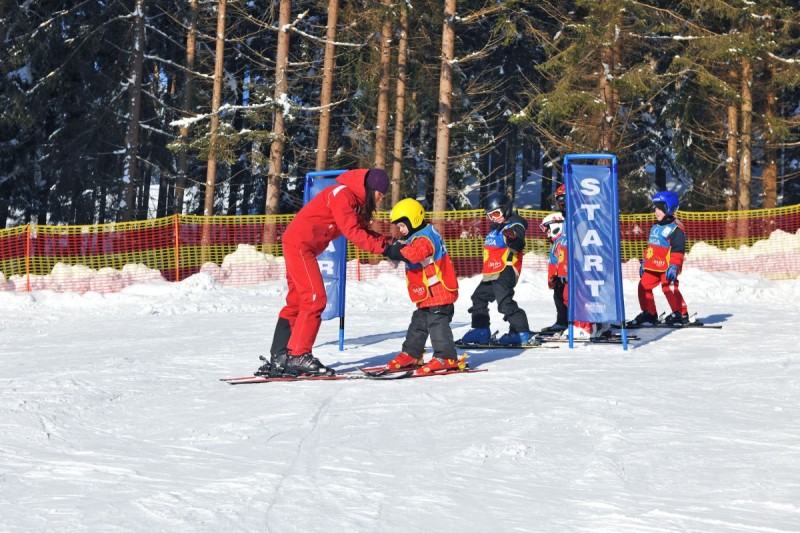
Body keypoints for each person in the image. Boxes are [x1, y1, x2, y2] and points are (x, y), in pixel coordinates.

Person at [258, 168, 393, 377]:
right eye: (380, 192)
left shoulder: (355, 201)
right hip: (300, 245)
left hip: (303, 245)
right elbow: (354, 233)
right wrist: (386, 248)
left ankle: (280, 356)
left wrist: (388, 244)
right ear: (370, 187)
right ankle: (298, 355)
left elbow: (361, 230)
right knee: (315, 298)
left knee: (297, 301)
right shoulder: (343, 195)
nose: (381, 197)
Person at [381, 198, 462, 374]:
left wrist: (394, 250)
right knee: (418, 322)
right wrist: (394, 250)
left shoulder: (425, 236)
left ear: (413, 220)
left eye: (402, 225)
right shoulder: (416, 236)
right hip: (429, 294)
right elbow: (407, 249)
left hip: (440, 292)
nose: (401, 230)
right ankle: (412, 354)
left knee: (437, 322)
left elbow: (415, 253)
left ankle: (446, 356)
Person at [459, 191, 532, 345]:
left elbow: (518, 243)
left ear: (506, 209)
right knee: (478, 297)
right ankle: (481, 330)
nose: (494, 218)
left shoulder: (514, 224)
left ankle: (521, 332)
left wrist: (513, 238)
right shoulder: (496, 229)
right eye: (490, 215)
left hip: (506, 270)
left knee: (504, 303)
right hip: (492, 273)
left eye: (497, 213)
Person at [629, 190, 689, 326]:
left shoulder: (675, 229)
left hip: (667, 267)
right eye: (655, 208)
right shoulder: (655, 227)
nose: (656, 211)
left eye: (660, 208)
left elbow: (678, 250)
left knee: (668, 288)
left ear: (669, 208)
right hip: (653, 266)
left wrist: (674, 265)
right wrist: (645, 261)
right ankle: (649, 313)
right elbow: (651, 247)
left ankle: (680, 313)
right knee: (643, 286)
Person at [539, 212, 567, 333]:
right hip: (561, 276)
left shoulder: (561, 241)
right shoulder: (560, 241)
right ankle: (563, 321)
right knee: (559, 297)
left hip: (563, 275)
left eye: (548, 229)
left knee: (564, 298)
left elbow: (555, 262)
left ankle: (568, 322)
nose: (547, 233)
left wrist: (552, 278)